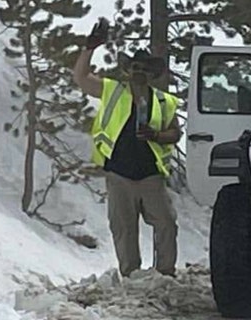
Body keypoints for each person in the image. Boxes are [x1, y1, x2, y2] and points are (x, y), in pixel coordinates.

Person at [73, 18, 182, 277]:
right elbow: (80, 77)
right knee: (123, 227)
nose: (138, 71)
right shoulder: (111, 90)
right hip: (119, 174)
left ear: (152, 73)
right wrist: (89, 49)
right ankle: (131, 275)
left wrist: (156, 134)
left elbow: (175, 133)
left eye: (144, 68)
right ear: (127, 70)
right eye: (135, 67)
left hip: (151, 174)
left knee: (166, 223)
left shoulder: (164, 102)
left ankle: (165, 274)